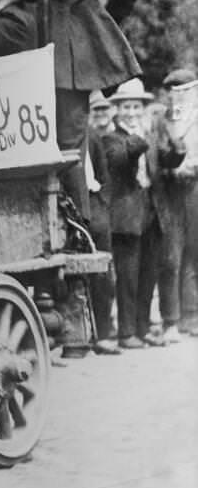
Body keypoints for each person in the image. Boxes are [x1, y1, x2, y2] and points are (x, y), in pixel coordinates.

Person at [12, 0, 143, 216]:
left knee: (40, 141)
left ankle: (59, 220)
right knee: (73, 146)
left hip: (42, 54)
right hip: (82, 60)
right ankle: (78, 222)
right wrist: (104, 18)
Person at [103, 80, 181, 349]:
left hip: (152, 211)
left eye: (136, 107)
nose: (132, 112)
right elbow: (122, 159)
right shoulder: (112, 138)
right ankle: (126, 333)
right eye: (126, 107)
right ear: (117, 109)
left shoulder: (148, 135)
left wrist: (177, 149)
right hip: (126, 217)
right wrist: (141, 136)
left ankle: (143, 328)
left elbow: (164, 159)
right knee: (127, 277)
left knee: (148, 275)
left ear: (143, 108)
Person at [158, 68, 198, 336]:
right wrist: (171, 170)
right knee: (171, 256)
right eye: (175, 92)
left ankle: (191, 315)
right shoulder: (163, 120)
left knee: (194, 252)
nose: (179, 97)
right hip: (169, 191)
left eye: (185, 92)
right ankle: (170, 319)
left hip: (195, 189)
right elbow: (157, 153)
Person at [84, 92, 121, 355]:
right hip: (70, 209)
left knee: (103, 274)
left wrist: (101, 204)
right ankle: (78, 337)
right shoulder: (62, 135)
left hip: (95, 207)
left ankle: (104, 333)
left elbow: (104, 175)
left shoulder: (92, 137)